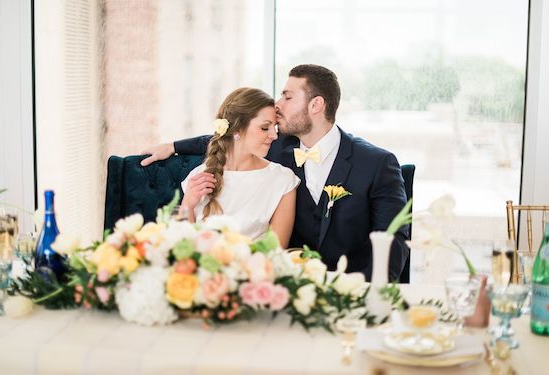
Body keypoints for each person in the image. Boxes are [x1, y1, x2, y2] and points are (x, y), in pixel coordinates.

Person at [141, 65, 409, 281]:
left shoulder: (376, 163)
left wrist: (371, 297)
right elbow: (232, 135)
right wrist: (174, 146)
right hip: (284, 286)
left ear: (316, 105)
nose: (278, 103)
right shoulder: (274, 146)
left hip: (349, 287)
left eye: (287, 96)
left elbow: (393, 240)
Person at [179, 87, 300, 248]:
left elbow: (276, 252)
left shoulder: (282, 180)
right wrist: (188, 205)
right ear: (237, 129)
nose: (274, 135)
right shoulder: (198, 177)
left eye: (275, 127)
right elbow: (183, 248)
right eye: (265, 127)